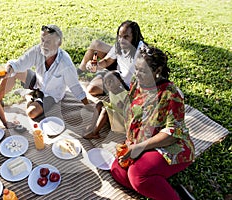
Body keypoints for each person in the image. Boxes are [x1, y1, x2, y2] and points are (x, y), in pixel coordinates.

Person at [110, 43, 195, 200]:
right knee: (117, 169)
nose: (137, 74)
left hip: (170, 145)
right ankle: (158, 185)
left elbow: (172, 134)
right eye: (136, 69)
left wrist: (139, 148)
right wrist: (131, 142)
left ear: (157, 71)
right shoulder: (137, 82)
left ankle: (177, 197)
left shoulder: (171, 94)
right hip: (142, 141)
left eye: (143, 71)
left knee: (137, 173)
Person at [0, 24, 89, 119]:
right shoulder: (37, 50)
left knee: (32, 113)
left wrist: (88, 106)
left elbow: (75, 86)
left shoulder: (65, 63)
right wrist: (7, 71)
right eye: (42, 40)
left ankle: (28, 96)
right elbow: (18, 64)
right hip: (37, 82)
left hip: (50, 95)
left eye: (48, 42)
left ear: (59, 43)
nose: (43, 45)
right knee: (12, 72)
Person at [78, 20, 144, 96]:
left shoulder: (142, 53)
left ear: (135, 37)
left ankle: (105, 80)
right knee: (96, 44)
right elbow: (107, 61)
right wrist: (95, 65)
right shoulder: (119, 44)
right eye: (120, 36)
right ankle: (79, 72)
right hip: (117, 72)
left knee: (91, 89)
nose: (121, 40)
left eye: (126, 37)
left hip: (124, 83)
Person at [83, 70, 129, 139]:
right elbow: (112, 104)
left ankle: (94, 133)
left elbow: (129, 113)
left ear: (119, 81)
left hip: (121, 121)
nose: (109, 84)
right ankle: (93, 126)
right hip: (114, 114)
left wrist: (123, 107)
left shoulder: (125, 95)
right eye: (106, 83)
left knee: (105, 110)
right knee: (100, 103)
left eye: (111, 81)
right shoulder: (111, 92)